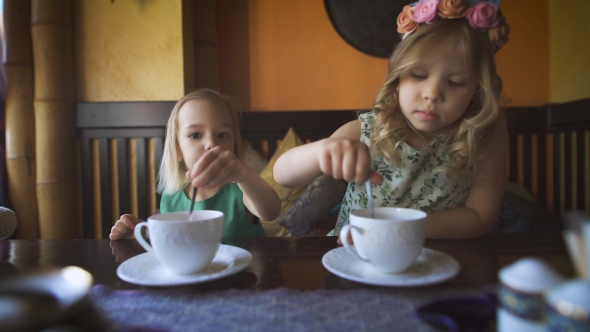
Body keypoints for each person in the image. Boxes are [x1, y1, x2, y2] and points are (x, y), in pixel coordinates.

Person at [273, 0, 511, 240]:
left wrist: (399, 229)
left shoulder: (483, 132)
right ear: (397, 79)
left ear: (477, 89)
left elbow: (479, 216)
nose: (433, 93)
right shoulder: (367, 131)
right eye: (418, 75)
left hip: (437, 259)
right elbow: (282, 175)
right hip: (354, 256)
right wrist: (321, 151)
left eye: (456, 82)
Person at [110, 89, 281, 240]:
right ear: (177, 150)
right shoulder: (171, 196)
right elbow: (171, 238)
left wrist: (243, 176)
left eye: (222, 135)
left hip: (245, 274)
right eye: (195, 135)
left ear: (234, 145)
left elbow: (271, 211)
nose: (211, 144)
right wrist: (140, 231)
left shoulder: (242, 189)